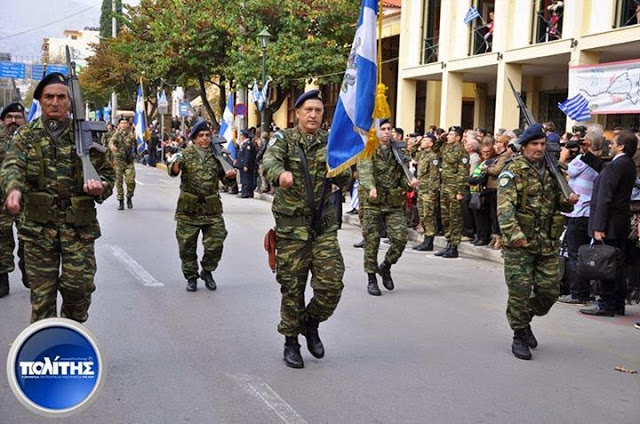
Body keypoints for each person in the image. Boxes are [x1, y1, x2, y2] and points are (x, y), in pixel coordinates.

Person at [0, 72, 115, 322]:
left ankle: (71, 339)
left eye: (61, 97)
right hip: (39, 231)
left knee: (79, 290)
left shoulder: (86, 136)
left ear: (70, 101)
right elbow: (11, 167)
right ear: (40, 100)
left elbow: (108, 174)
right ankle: (47, 352)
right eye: (48, 97)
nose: (55, 102)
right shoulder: (25, 136)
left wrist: (101, 187)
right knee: (42, 299)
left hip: (78, 230)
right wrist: (14, 190)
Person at [263, 90, 351, 369]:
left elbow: (347, 171)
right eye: (308, 110)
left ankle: (310, 323)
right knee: (293, 288)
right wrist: (281, 175)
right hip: (292, 230)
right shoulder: (284, 140)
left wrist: (340, 173)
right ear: (297, 113)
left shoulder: (331, 142)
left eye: (318, 111)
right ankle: (291, 341)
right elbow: (269, 162)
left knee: (331, 284)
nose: (313, 115)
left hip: (323, 228)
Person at [498, 124, 578, 360]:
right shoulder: (512, 171)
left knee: (549, 292)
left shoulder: (554, 171)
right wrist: (515, 237)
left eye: (542, 144)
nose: (539, 148)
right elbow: (504, 209)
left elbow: (559, 204)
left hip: (547, 242)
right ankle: (519, 334)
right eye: (534, 144)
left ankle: (523, 320)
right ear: (524, 147)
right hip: (520, 244)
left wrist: (569, 201)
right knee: (520, 292)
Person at [167, 121, 237, 292]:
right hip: (188, 209)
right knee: (186, 246)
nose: (205, 139)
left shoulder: (218, 156)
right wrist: (174, 168)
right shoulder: (185, 154)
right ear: (194, 138)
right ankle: (191, 277)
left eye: (207, 135)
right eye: (201, 136)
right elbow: (173, 168)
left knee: (216, 243)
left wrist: (231, 176)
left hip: (211, 209)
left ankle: (207, 271)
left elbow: (226, 181)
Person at [580, 130, 637, 317]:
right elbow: (603, 168)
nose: (609, 145)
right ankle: (616, 303)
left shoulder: (618, 165)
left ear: (621, 146)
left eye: (613, 143)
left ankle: (605, 303)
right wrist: (586, 154)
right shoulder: (626, 164)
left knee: (606, 264)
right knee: (617, 264)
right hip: (619, 222)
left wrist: (598, 227)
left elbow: (605, 198)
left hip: (609, 224)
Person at [359, 119, 418, 296]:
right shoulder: (368, 150)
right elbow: (365, 172)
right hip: (372, 203)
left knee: (400, 239)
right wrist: (371, 187)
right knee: (372, 241)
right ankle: (371, 279)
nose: (386, 132)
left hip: (393, 203)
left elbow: (402, 175)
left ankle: (385, 266)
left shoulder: (398, 151)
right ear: (376, 132)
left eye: (388, 129)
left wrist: (410, 183)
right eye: (382, 129)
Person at [556, 124, 603, 304]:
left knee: (575, 254)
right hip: (587, 212)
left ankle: (578, 293)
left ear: (588, 141)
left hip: (579, 212)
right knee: (580, 253)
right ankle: (581, 291)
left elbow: (564, 168)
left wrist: (565, 153)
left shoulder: (584, 160)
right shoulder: (597, 160)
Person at [0, 102, 28, 297]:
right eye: (9, 117)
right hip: (1, 199)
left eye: (17, 117)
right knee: (2, 240)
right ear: (2, 121)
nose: (13, 121)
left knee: (29, 238)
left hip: (27, 200)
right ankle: (2, 277)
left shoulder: (31, 139)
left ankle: (28, 266)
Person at [434, 126, 470, 258]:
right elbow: (435, 149)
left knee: (455, 218)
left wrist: (460, 191)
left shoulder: (462, 152)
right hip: (444, 187)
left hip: (454, 188)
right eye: (448, 134)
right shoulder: (446, 147)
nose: (448, 136)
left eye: (451, 135)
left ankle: (454, 246)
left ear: (458, 137)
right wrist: (440, 138)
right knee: (446, 217)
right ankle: (448, 243)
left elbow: (462, 173)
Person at [410, 134, 439, 251]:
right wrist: (418, 142)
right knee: (422, 215)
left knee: (428, 215)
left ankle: (429, 240)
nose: (423, 142)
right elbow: (411, 153)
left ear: (431, 144)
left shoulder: (433, 157)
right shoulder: (422, 155)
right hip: (421, 189)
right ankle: (425, 239)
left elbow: (434, 176)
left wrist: (432, 192)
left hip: (428, 190)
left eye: (425, 140)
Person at [109, 117, 137, 210]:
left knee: (131, 181)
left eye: (125, 123)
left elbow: (137, 147)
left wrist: (135, 139)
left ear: (128, 125)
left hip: (129, 161)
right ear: (119, 125)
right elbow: (111, 142)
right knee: (119, 182)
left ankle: (129, 196)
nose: (124, 125)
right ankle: (121, 201)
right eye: (122, 123)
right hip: (118, 161)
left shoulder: (132, 135)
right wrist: (112, 146)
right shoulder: (117, 134)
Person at [235, 129, 256, 198]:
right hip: (243, 164)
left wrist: (246, 165)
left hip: (246, 165)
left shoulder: (248, 144)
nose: (241, 136)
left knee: (246, 179)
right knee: (244, 178)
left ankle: (246, 193)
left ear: (244, 136)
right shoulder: (244, 144)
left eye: (241, 135)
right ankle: (247, 192)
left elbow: (247, 156)